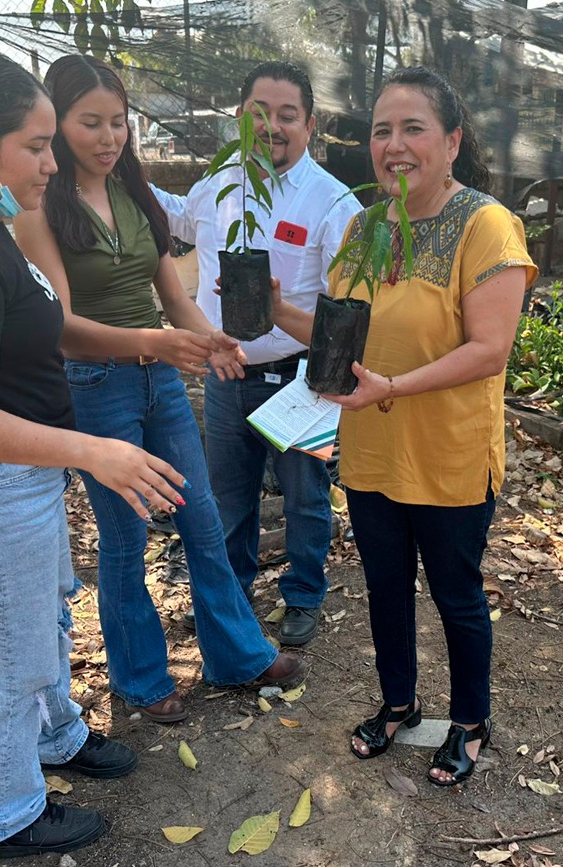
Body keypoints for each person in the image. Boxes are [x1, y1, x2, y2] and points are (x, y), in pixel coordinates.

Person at [0, 51, 188, 857]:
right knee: (0, 654)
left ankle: (57, 735)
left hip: (19, 474)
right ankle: (9, 813)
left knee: (40, 617)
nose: (53, 163)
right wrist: (93, 447)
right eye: (37, 146)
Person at [12, 54, 308, 724]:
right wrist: (156, 343)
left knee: (202, 517)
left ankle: (237, 656)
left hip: (160, 383)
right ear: (58, 125)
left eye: (118, 122)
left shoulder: (135, 194)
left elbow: (172, 293)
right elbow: (58, 326)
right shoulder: (41, 209)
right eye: (91, 123)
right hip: (95, 385)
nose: (109, 137)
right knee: (126, 535)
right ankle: (141, 679)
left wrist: (211, 340)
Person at [268, 66, 536, 786]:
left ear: (451, 141)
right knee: (385, 583)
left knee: (455, 592)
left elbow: (490, 348)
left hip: (447, 452)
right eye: (382, 130)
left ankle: (472, 720)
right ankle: (397, 703)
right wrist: (267, 308)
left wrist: (392, 387)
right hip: (372, 446)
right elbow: (335, 333)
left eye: (412, 127)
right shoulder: (365, 227)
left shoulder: (485, 224)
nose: (393, 144)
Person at [150, 61, 362, 645]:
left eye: (287, 116)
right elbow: (175, 218)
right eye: (258, 114)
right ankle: (231, 595)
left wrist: (327, 376)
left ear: (310, 124)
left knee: (304, 495)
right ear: (239, 119)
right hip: (226, 370)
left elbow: (346, 313)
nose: (272, 126)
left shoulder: (333, 203)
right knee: (229, 493)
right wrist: (120, 174)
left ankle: (302, 595)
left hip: (300, 377)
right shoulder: (220, 184)